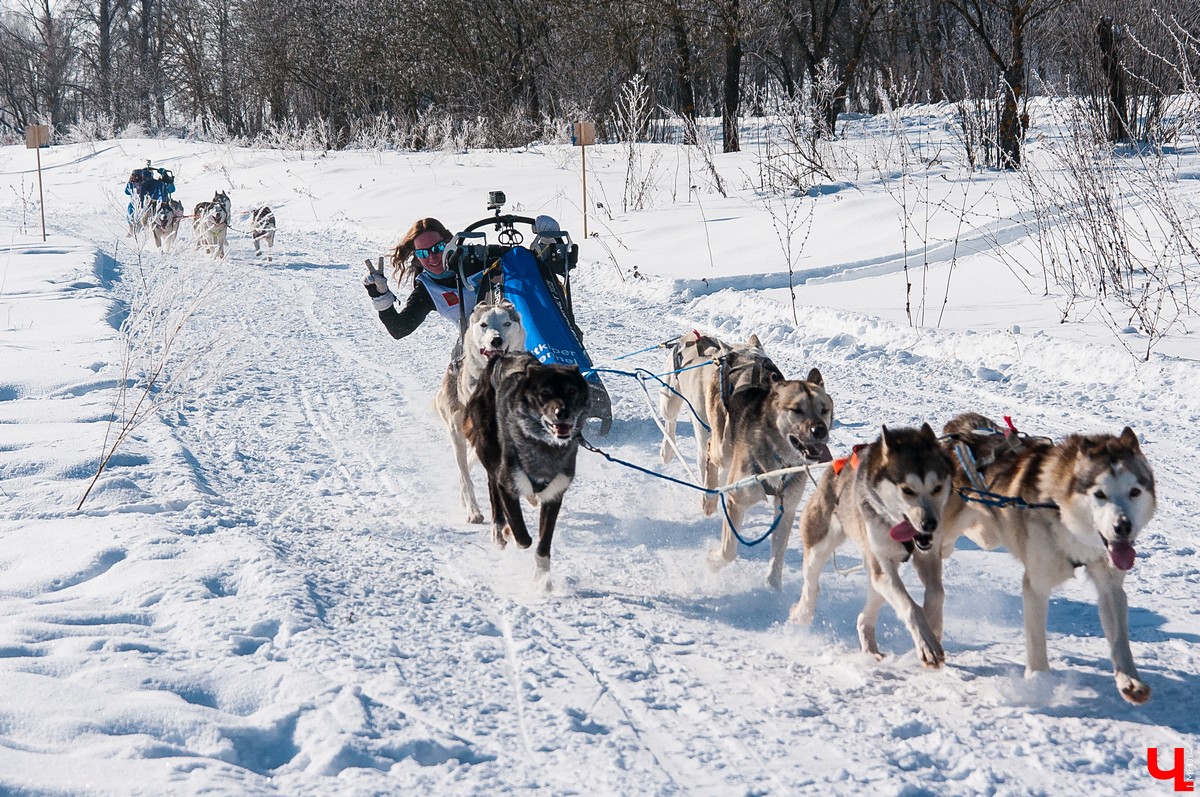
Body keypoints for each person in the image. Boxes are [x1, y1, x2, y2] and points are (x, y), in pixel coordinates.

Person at [363, 217, 488, 340]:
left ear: (449, 243)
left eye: (437, 248)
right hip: (476, 347)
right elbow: (399, 329)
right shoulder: (428, 289)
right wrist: (380, 296)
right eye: (423, 253)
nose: (432, 258)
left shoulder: (479, 257)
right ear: (417, 257)